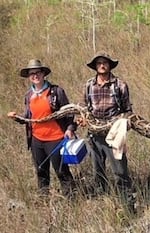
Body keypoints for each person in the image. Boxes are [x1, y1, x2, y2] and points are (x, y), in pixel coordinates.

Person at [7, 59, 76, 199]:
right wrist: (17, 118)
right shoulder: (29, 96)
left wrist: (70, 129)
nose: (35, 75)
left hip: (56, 138)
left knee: (61, 170)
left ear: (43, 73)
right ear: (28, 77)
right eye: (31, 73)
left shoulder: (56, 91)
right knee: (41, 171)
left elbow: (69, 112)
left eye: (37, 72)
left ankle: (72, 199)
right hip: (36, 140)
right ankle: (44, 200)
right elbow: (29, 117)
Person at [81, 51, 136, 214]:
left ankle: (128, 205)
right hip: (94, 134)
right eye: (99, 63)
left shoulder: (120, 85)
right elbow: (84, 107)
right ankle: (102, 204)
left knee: (120, 171)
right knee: (98, 171)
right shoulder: (89, 85)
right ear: (95, 67)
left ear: (110, 65)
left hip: (115, 134)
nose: (102, 65)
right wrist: (82, 118)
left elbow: (128, 110)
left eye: (105, 62)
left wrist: (122, 123)